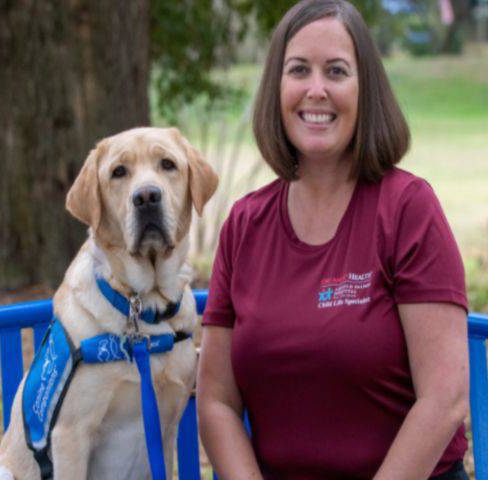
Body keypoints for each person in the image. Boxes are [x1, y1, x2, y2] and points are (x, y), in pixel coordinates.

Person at [196, 0, 470, 479]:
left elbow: (444, 399)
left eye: (337, 71)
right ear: (276, 88)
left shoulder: (407, 209)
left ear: (366, 91)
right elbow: (216, 400)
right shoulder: (244, 225)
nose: (315, 90)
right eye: (299, 70)